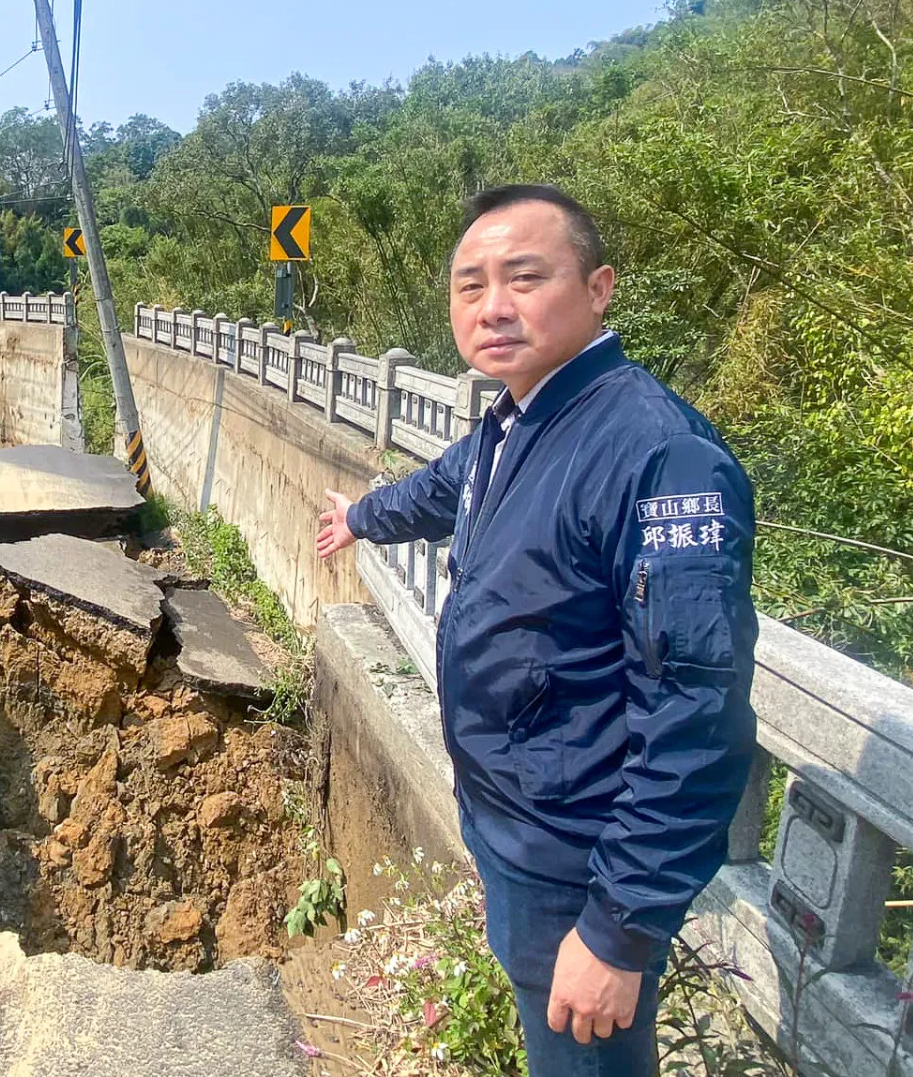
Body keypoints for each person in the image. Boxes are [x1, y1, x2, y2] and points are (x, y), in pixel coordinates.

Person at [315, 185, 757, 1077]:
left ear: (599, 289)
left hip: (581, 863)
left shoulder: (656, 454)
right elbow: (442, 487)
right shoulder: (516, 421)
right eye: (470, 285)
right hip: (517, 823)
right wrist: (362, 515)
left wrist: (619, 929)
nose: (493, 306)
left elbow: (696, 713)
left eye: (525, 276)